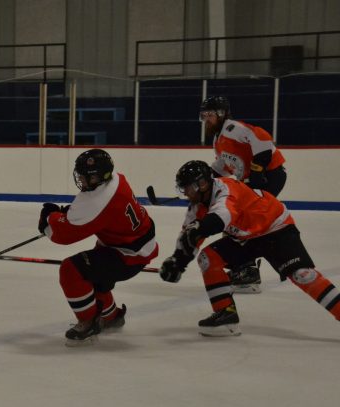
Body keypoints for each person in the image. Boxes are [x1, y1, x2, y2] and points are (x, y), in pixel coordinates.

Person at [159, 160, 340, 336]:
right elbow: (190, 237)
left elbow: (220, 218)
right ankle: (226, 315)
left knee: (302, 274)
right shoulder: (197, 206)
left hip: (275, 227)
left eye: (188, 188)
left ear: (203, 184)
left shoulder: (226, 190)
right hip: (247, 237)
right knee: (208, 258)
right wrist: (178, 262)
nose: (186, 193)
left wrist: (199, 228)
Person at [38, 149, 158, 345]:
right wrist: (66, 214)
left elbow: (63, 235)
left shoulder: (98, 200)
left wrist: (48, 220)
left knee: (71, 270)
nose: (81, 180)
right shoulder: (117, 179)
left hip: (127, 255)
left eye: (85, 176)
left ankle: (88, 322)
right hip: (133, 245)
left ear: (98, 177)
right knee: (95, 274)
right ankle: (111, 317)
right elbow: (87, 213)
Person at [199, 96, 288, 293]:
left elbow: (263, 140)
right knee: (236, 221)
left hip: (270, 177)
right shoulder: (218, 138)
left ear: (221, 114)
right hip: (253, 182)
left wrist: (257, 173)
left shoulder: (233, 128)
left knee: (236, 220)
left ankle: (248, 270)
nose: (206, 119)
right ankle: (245, 269)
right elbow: (223, 167)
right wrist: (202, 182)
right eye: (203, 115)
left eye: (209, 115)